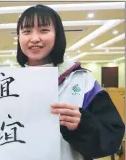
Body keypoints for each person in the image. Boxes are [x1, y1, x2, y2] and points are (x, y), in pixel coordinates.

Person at [15, 4, 125, 160]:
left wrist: (83, 124)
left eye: (44, 30)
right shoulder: (7, 84)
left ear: (57, 35)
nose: (34, 38)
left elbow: (112, 137)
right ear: (19, 38)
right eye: (26, 31)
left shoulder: (83, 80)